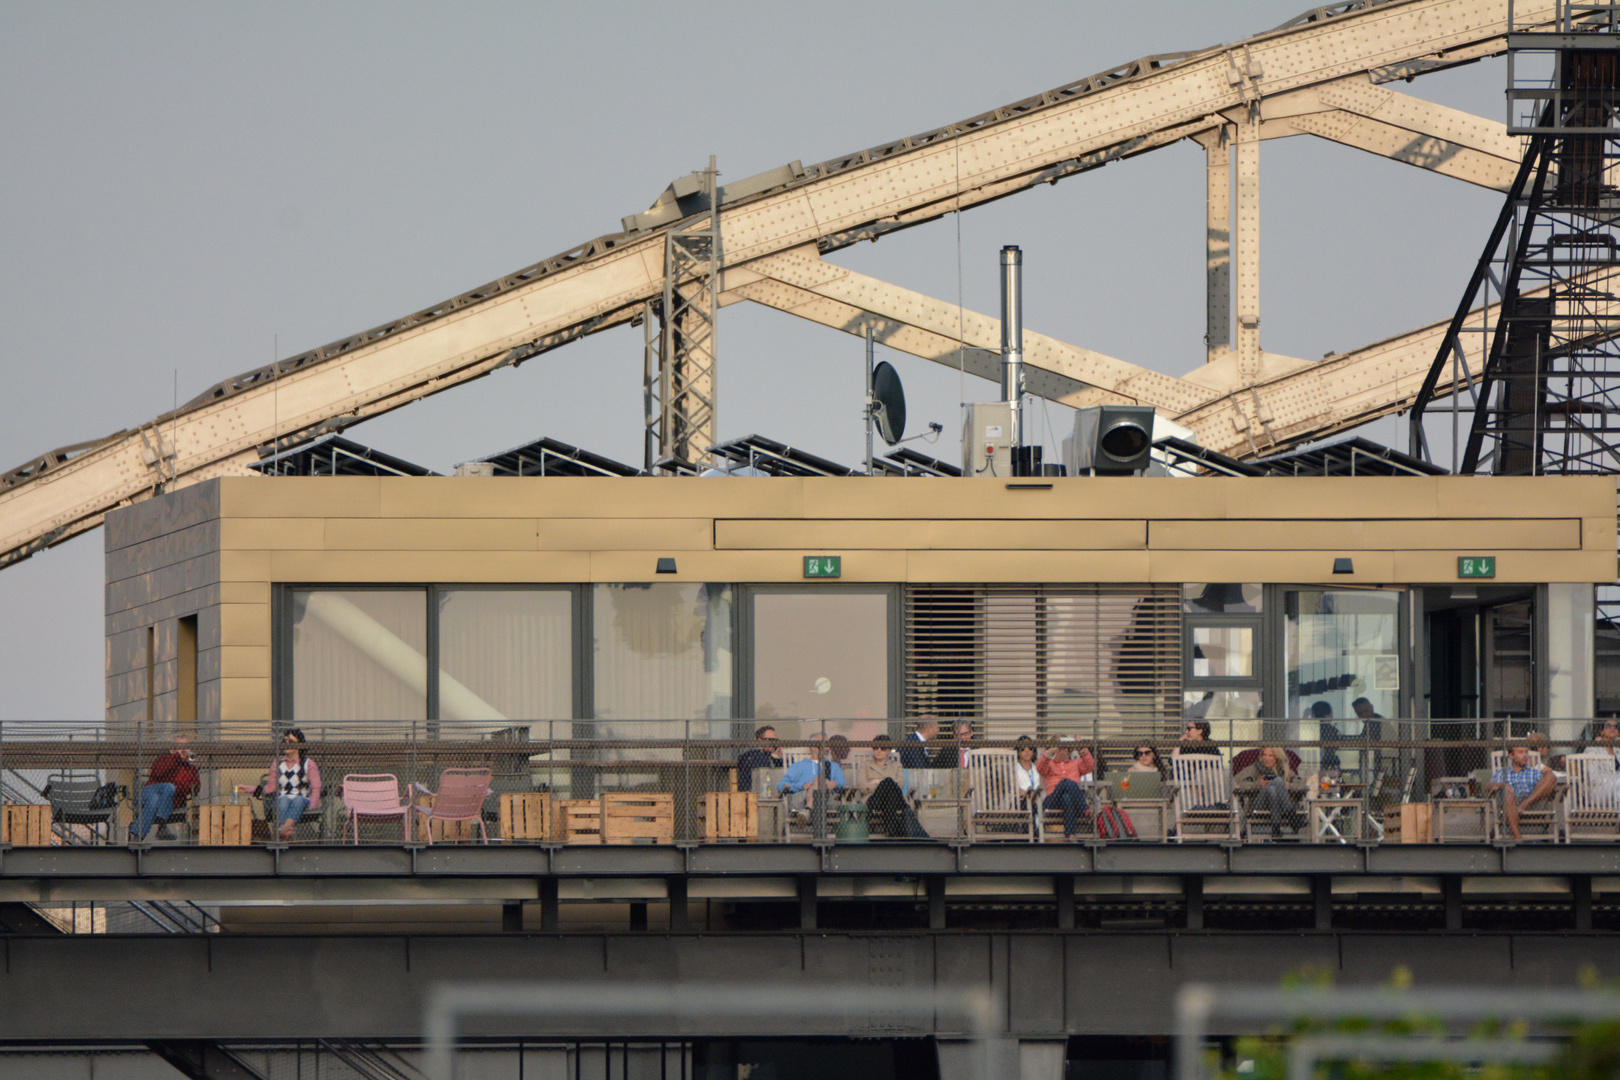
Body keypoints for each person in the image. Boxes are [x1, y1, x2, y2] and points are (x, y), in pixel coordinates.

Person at [252, 728, 323, 841]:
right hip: (282, 800)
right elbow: (271, 787)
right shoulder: (278, 763)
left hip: (303, 800)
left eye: (291, 741)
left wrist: (312, 807)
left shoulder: (308, 763)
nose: (287, 744)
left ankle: (282, 829)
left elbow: (316, 787)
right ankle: (287, 830)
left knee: (298, 800)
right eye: (285, 741)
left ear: (299, 745)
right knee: (284, 799)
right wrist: (249, 789)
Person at [852, 735, 927, 839]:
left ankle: (891, 831)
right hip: (874, 800)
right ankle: (900, 818)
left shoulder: (896, 765)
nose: (878, 750)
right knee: (889, 782)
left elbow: (900, 783)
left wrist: (877, 782)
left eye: (882, 748)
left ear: (888, 750)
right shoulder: (865, 766)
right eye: (875, 748)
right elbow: (863, 787)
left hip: (892, 800)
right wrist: (883, 785)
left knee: (889, 788)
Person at [132, 734, 200, 842]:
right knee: (168, 788)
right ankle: (162, 825)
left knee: (155, 800)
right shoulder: (163, 759)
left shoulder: (190, 769)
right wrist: (176, 757)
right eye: (179, 746)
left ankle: (137, 837)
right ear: (172, 748)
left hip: (167, 799)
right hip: (149, 791)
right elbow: (158, 773)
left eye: (185, 746)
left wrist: (176, 787)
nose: (182, 749)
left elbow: (195, 788)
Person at [1486, 741, 1556, 842]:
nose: (1525, 755)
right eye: (1520, 752)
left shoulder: (1534, 772)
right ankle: (1518, 837)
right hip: (1510, 804)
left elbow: (1547, 786)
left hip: (1533, 804)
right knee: (1508, 795)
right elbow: (1489, 787)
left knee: (1550, 775)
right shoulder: (1502, 773)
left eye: (1526, 752)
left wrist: (1547, 775)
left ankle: (1524, 805)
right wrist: (1501, 784)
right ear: (1511, 756)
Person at [1234, 746, 1305, 838]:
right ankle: (1292, 815)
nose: (1266, 758)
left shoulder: (1285, 770)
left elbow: (1303, 786)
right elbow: (1239, 785)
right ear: (1261, 756)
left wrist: (1290, 786)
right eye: (1264, 755)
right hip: (1259, 804)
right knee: (1279, 780)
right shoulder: (1254, 768)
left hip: (1279, 804)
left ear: (1277, 758)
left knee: (1272, 789)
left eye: (1271, 756)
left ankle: (1276, 828)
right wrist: (1258, 784)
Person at [778, 732, 845, 827]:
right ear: (813, 747)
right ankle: (808, 809)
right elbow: (781, 786)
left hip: (827, 799)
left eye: (828, 745)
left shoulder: (833, 766)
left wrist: (835, 783)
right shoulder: (798, 766)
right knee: (819, 780)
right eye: (824, 745)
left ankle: (808, 810)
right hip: (802, 798)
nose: (828, 748)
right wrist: (803, 786)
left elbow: (842, 783)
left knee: (819, 780)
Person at [1035, 736, 1095, 840]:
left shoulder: (1076, 763)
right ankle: (1086, 810)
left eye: (1065, 748)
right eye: (1060, 748)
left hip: (1072, 800)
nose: (1062, 751)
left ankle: (1070, 834)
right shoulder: (1048, 764)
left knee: (1067, 797)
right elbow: (1040, 767)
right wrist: (1050, 751)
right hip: (1052, 800)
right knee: (1066, 782)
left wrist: (1082, 748)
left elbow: (1090, 766)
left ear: (1069, 750)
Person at [737, 725, 781, 795]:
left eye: (775, 740)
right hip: (752, 793)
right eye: (771, 740)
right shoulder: (753, 756)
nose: (774, 743)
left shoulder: (770, 756)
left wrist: (781, 757)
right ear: (760, 741)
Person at [1312, 701, 1342, 772]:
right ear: (1327, 715)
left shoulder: (1311, 729)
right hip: (1328, 760)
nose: (1332, 716)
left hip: (1314, 759)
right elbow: (1338, 743)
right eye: (1330, 714)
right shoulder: (1331, 730)